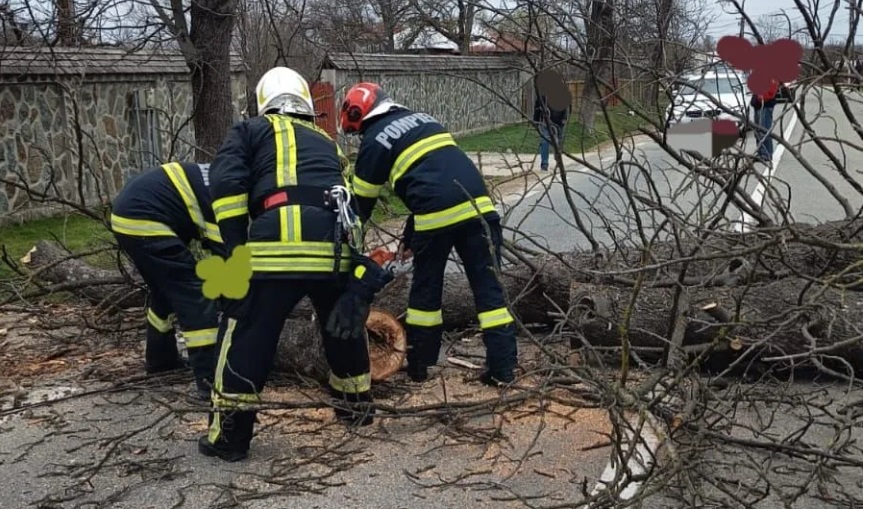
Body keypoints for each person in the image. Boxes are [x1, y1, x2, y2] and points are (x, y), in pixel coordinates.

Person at [200, 67, 393, 462]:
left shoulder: (250, 131)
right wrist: (354, 270)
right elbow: (348, 201)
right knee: (343, 324)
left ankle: (230, 438)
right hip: (331, 250)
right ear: (305, 101)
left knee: (247, 333)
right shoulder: (325, 141)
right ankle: (355, 407)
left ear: (263, 101)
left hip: (276, 252)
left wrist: (236, 255)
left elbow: (225, 187)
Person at [339, 82, 518, 387]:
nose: (359, 139)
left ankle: (421, 363)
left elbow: (361, 205)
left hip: (435, 216)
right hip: (480, 207)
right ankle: (503, 368)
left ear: (360, 116)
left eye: (357, 133)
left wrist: (347, 245)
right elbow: (436, 179)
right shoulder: (424, 120)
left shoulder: (374, 139)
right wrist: (409, 236)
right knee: (490, 291)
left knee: (426, 291)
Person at [109, 161, 225, 401]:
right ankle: (208, 381)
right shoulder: (225, 197)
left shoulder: (219, 175)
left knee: (165, 291)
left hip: (129, 215)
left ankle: (160, 361)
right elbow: (226, 256)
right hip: (144, 219)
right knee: (195, 294)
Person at [533, 91, 570, 172]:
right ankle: (544, 165)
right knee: (544, 142)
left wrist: (564, 118)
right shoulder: (542, 96)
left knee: (558, 144)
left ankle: (558, 162)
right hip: (546, 123)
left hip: (559, 122)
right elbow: (537, 109)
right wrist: (535, 121)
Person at [751, 79, 779, 165]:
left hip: (765, 105)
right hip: (759, 105)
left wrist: (762, 96)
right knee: (758, 131)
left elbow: (771, 91)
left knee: (764, 129)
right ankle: (761, 152)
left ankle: (766, 154)